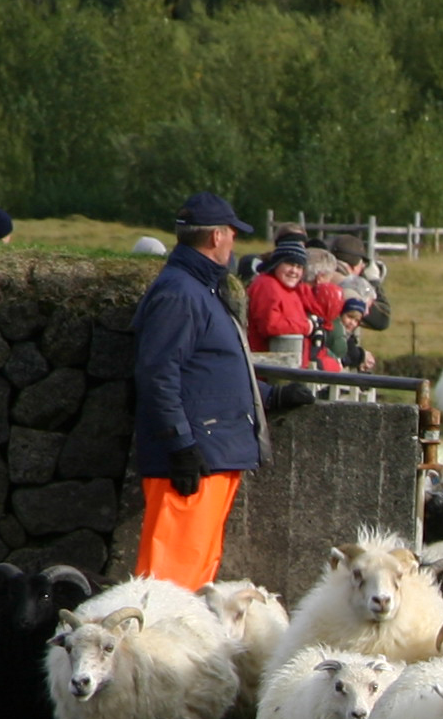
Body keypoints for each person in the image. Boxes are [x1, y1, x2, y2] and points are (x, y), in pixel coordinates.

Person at [133, 193, 270, 590]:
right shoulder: (181, 292)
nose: (234, 242)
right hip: (196, 455)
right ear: (215, 237)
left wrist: (271, 397)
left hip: (211, 450)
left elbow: (209, 372)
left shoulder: (197, 289)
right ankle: (156, 651)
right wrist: (180, 444)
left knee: (194, 577)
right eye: (232, 233)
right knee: (168, 581)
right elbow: (158, 373)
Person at [246, 238, 323, 361]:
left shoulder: (291, 290)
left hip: (290, 364)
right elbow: (270, 325)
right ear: (276, 264)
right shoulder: (266, 285)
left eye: (299, 267)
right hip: (268, 367)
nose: (294, 271)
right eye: (290, 264)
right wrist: (307, 326)